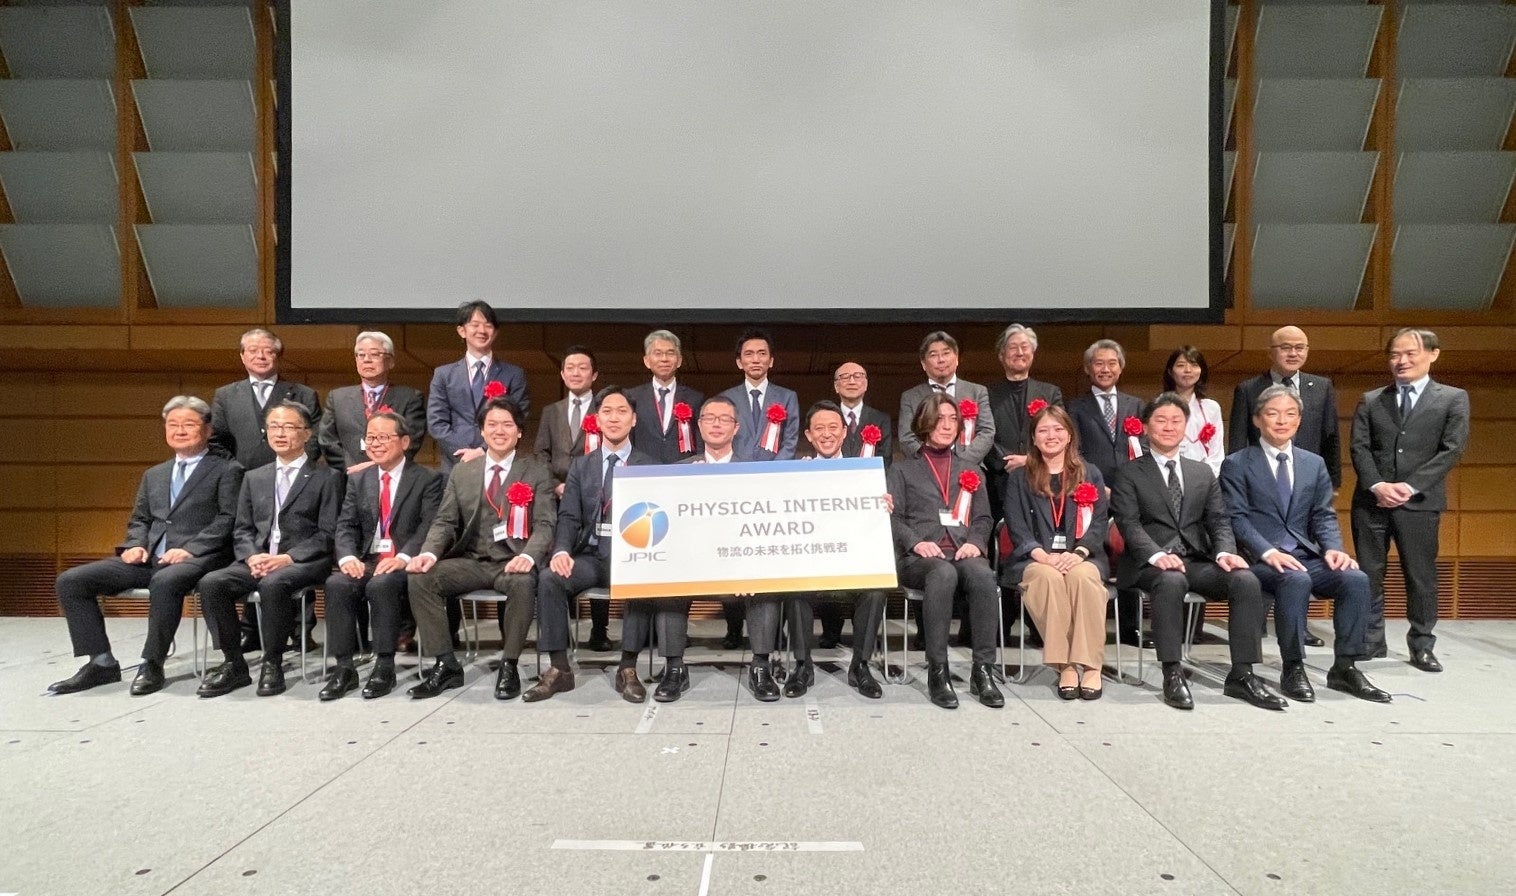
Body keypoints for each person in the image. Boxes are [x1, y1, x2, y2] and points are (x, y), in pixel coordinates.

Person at [48, 396, 242, 696]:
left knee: (165, 581)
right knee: (72, 581)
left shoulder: (228, 470)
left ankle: (152, 663)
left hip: (200, 558)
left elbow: (229, 518)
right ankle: (101, 662)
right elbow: (140, 518)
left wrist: (191, 549)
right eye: (172, 424)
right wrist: (136, 544)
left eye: (188, 424)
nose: (179, 430)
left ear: (207, 430)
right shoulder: (155, 474)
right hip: (151, 557)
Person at [1110, 393, 1285, 712]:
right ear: (1146, 427)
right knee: (1171, 580)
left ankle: (1242, 674)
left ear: (1185, 427)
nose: (1169, 427)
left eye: (1176, 421)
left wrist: (1225, 552)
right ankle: (1172, 672)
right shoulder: (1129, 473)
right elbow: (1129, 524)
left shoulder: (1202, 472)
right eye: (1161, 420)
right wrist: (1157, 555)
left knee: (1245, 579)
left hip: (1195, 560)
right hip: (1148, 564)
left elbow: (1218, 519)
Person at [1219, 386, 1390, 703]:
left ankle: (1345, 667)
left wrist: (1334, 548)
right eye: (1272, 414)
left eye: (1290, 414)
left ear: (1299, 420)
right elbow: (1236, 518)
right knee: (1295, 580)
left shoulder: (1314, 463)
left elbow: (1323, 515)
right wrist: (1268, 551)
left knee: (1355, 579)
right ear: (1257, 419)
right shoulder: (1237, 463)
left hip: (1304, 554)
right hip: (1260, 558)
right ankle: (1293, 667)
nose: (1281, 421)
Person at [405, 397, 556, 700]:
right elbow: (445, 521)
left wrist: (528, 556)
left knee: (524, 583)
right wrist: (429, 553)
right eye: (492, 425)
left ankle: (509, 665)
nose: (500, 431)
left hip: (512, 562)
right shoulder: (463, 472)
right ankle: (446, 664)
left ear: (519, 432)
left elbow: (545, 523)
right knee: (421, 578)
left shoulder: (536, 471)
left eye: (507, 425)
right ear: (482, 432)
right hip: (472, 560)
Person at [196, 400, 344, 698]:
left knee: (274, 584)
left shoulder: (327, 477)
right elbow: (242, 529)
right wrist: (252, 556)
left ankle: (272, 662)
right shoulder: (254, 477)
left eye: (288, 427)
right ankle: (234, 663)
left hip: (303, 560)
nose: (280, 433)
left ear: (306, 434)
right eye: (274, 427)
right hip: (259, 558)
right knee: (212, 583)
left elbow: (328, 533)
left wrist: (287, 558)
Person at [525, 386, 657, 702]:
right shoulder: (582, 466)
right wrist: (561, 550)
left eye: (622, 411)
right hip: (590, 555)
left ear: (634, 419)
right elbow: (569, 516)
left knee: (641, 579)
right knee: (550, 578)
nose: (614, 418)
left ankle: (628, 668)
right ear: (596, 420)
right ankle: (559, 669)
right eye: (607, 412)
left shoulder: (649, 465)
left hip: (630, 557)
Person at [1350, 328, 1469, 672]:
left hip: (1420, 502)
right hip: (1372, 502)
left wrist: (1410, 486)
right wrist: (1377, 485)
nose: (1401, 361)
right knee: (1369, 574)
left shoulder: (1452, 398)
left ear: (1433, 354)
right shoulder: (1372, 399)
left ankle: (1422, 645)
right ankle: (1371, 640)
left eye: (1409, 353)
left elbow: (1452, 449)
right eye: (1394, 355)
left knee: (1420, 576)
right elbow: (1359, 447)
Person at [619, 395, 749, 704]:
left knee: (766, 586)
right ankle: (674, 668)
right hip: (690, 563)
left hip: (735, 563)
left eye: (724, 419)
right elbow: (665, 524)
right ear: (699, 425)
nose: (716, 424)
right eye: (709, 418)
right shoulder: (677, 471)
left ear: (736, 428)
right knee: (669, 583)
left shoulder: (753, 471)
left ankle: (761, 666)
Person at [756, 401, 887, 699]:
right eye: (819, 429)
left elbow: (872, 524)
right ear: (809, 435)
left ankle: (860, 666)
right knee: (795, 587)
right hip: (810, 564)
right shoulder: (797, 473)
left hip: (851, 564)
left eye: (833, 428)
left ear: (844, 432)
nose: (826, 434)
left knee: (876, 589)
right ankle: (803, 666)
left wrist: (883, 506)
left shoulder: (863, 474)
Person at [887, 393, 1003, 710]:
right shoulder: (902, 470)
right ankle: (938, 670)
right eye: (940, 418)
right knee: (942, 572)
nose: (948, 425)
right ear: (924, 423)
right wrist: (916, 542)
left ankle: (983, 670)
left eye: (953, 419)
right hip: (919, 557)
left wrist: (975, 542)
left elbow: (983, 518)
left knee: (983, 575)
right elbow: (893, 518)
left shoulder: (972, 469)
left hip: (962, 551)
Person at [209, 327, 322, 652]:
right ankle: (251, 631)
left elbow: (315, 438)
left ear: (278, 355)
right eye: (253, 350)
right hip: (247, 486)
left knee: (293, 550)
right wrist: (240, 473)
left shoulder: (302, 393)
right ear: (242, 356)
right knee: (253, 552)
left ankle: (301, 631)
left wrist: (295, 468)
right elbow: (217, 441)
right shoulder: (226, 395)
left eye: (268, 351)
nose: (260, 356)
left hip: (296, 483)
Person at [319, 411, 443, 701]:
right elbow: (346, 524)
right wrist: (347, 557)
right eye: (371, 438)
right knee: (337, 584)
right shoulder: (359, 479)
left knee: (381, 584)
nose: (375, 444)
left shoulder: (427, 479)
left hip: (404, 561)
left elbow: (428, 526)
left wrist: (403, 557)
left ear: (405, 442)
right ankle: (344, 668)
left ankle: (384, 665)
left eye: (383, 437)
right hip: (367, 559)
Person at [1000, 405, 1109, 700]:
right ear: (1034, 439)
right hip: (1036, 558)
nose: (1052, 435)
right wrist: (1043, 555)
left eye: (1058, 429)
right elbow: (1016, 524)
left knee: (1083, 578)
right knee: (1047, 578)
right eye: (1043, 430)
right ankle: (1065, 665)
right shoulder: (1020, 477)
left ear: (1070, 435)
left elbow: (1099, 522)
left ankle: (1091, 665)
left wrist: (1080, 552)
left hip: (1081, 555)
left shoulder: (1089, 473)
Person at [716, 328, 800, 648]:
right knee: (734, 556)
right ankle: (733, 627)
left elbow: (790, 441)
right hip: (734, 489)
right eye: (749, 354)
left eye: (762, 353)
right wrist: (740, 474)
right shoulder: (727, 398)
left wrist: (769, 476)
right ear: (739, 362)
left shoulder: (787, 397)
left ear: (771, 360)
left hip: (773, 490)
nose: (756, 359)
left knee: (770, 557)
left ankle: (773, 628)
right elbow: (722, 438)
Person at [816, 361, 893, 649]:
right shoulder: (827, 417)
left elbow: (885, 462)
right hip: (828, 505)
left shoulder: (880, 418)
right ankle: (831, 631)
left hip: (864, 508)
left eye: (858, 375)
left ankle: (863, 639)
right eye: (844, 377)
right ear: (836, 385)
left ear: (866, 382)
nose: (852, 380)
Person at [1228, 325, 1341, 489]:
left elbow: (1331, 437)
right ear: (1270, 352)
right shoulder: (1248, 389)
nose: (1293, 353)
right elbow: (1237, 441)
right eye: (1286, 348)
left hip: (1309, 480)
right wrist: (1236, 481)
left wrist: (1333, 483)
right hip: (1260, 479)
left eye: (1299, 348)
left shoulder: (1322, 387)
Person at [427, 300, 530, 473]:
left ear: (495, 332)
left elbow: (519, 418)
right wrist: (464, 453)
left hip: (498, 462)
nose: (482, 330)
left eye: (488, 325)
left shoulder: (514, 374)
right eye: (475, 325)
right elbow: (436, 422)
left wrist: (483, 450)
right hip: (455, 463)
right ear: (462, 331)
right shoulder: (443, 374)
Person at [317, 330, 427, 473]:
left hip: (392, 475)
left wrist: (376, 465)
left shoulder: (410, 397)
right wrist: (350, 468)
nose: (367, 359)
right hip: (347, 476)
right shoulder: (337, 397)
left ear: (390, 361)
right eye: (361, 355)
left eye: (374, 354)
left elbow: (411, 441)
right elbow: (327, 440)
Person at [986, 323, 1064, 522]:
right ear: (1001, 355)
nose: (1019, 352)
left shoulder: (1050, 393)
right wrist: (1008, 461)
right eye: (1013, 347)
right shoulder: (986, 394)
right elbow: (983, 434)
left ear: (1032, 353)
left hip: (1044, 478)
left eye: (1025, 347)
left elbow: (1060, 434)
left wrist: (1030, 459)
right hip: (1000, 481)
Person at [896, 330, 996, 467]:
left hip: (969, 467)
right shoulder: (910, 397)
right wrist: (934, 462)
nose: (941, 360)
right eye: (933, 355)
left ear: (957, 358)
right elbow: (907, 438)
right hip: (926, 469)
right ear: (923, 364)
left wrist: (961, 463)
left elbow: (987, 432)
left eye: (946, 353)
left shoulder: (977, 392)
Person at [1067, 338, 1143, 487]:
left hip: (1132, 485)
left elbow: (1145, 445)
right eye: (1099, 363)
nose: (1106, 369)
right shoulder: (1075, 407)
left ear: (1121, 368)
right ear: (1087, 368)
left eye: (1112, 363)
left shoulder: (1136, 405)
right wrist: (1094, 482)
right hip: (1093, 485)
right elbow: (1074, 451)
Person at [627, 330, 705, 464]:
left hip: (683, 469)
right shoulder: (632, 397)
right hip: (642, 469)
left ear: (679, 360)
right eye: (658, 353)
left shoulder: (695, 398)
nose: (664, 359)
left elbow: (700, 441)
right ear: (647, 361)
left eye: (670, 353)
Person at [533, 345, 601, 496]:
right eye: (570, 368)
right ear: (563, 375)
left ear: (594, 375)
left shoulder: (603, 410)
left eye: (582, 368)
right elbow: (541, 453)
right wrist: (555, 485)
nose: (576, 373)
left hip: (595, 491)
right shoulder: (550, 411)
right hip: (558, 494)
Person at [1162, 346, 1224, 476]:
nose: (1188, 370)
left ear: (1201, 371)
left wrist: (1206, 477)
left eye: (1194, 365)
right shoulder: (1159, 406)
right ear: (1170, 371)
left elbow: (1217, 453)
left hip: (1204, 477)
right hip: (1169, 475)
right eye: (1181, 365)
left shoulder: (1211, 408)